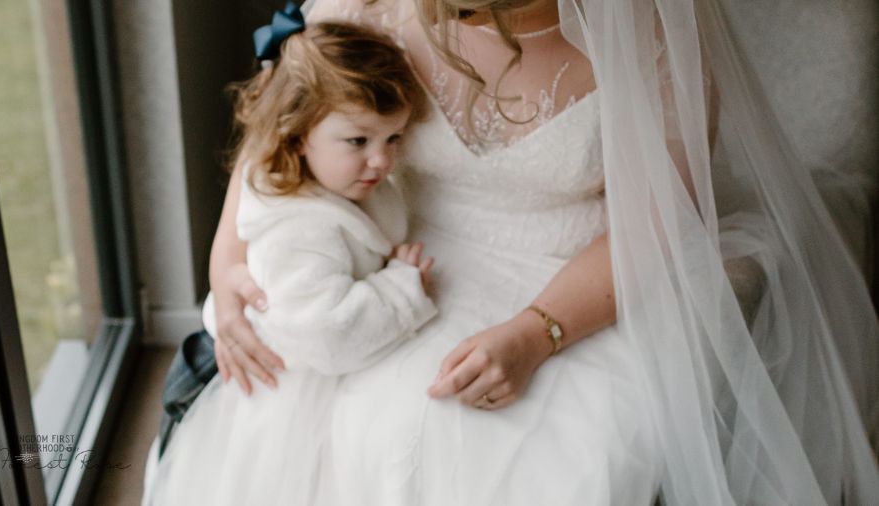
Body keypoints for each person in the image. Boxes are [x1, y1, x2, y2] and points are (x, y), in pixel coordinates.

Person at [210, 0, 879, 504]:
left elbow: (655, 222)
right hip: (395, 242)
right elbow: (281, 120)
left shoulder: (645, 30)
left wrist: (538, 333)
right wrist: (228, 262)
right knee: (295, 415)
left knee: (522, 455)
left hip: (578, 270)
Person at [143, 17, 438, 505]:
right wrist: (401, 285)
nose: (383, 162)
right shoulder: (300, 229)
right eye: (359, 141)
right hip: (292, 382)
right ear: (299, 135)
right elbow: (330, 334)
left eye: (394, 138)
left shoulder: (322, 176)